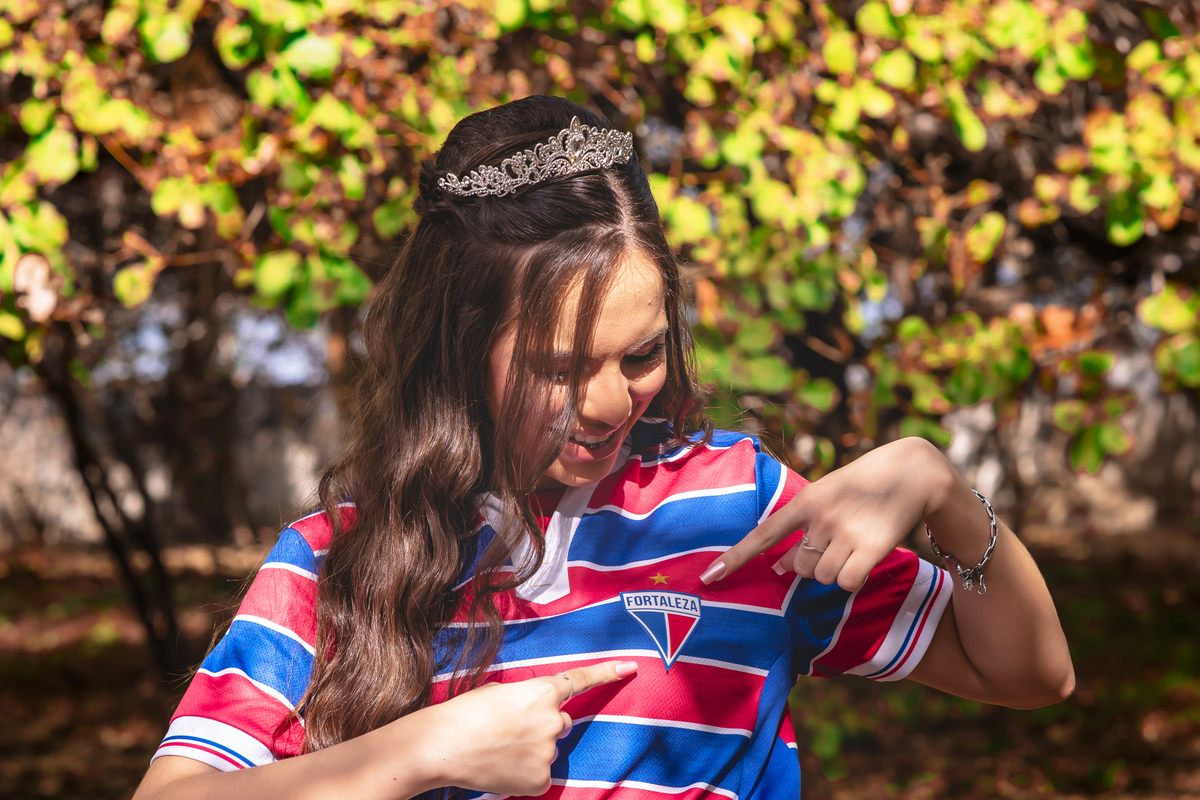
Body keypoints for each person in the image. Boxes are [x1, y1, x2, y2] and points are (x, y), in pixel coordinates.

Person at [134, 96, 1074, 800]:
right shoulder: (337, 560)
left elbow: (1029, 673)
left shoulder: (742, 508)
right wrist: (421, 752)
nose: (606, 403)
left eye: (643, 354)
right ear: (462, 348)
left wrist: (942, 488)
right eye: (556, 367)